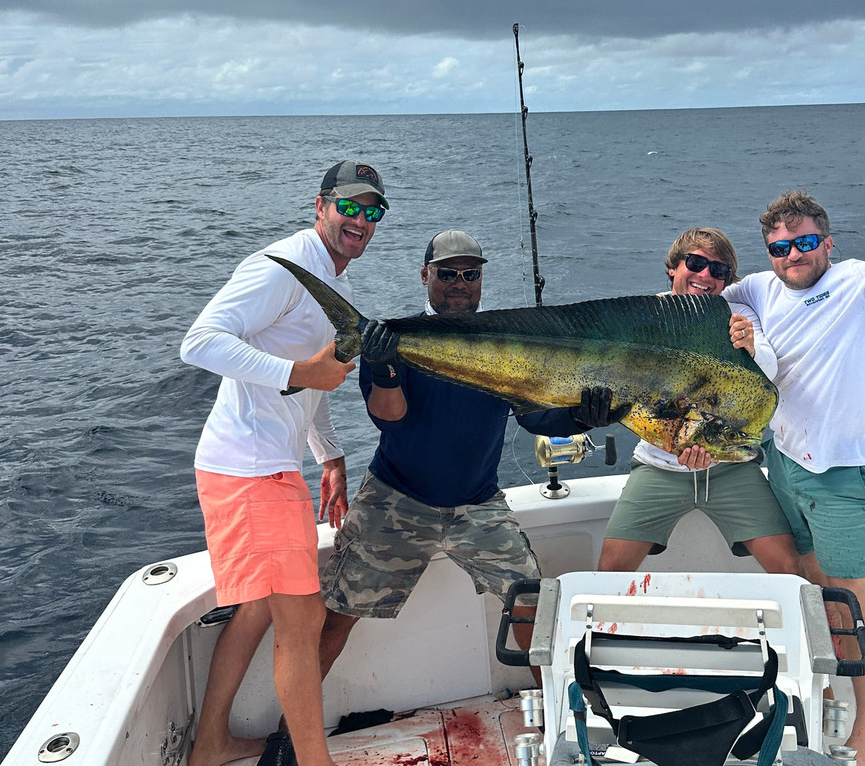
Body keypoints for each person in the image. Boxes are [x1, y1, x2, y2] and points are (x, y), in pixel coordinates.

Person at [722, 138, 865, 766]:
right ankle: (813, 695)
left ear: (827, 242)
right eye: (780, 247)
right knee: (809, 588)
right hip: (784, 466)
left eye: (804, 243)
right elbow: (692, 306)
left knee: (852, 603)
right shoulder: (756, 291)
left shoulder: (864, 283)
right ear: (767, 251)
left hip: (844, 473)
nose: (793, 256)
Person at [316, 230, 614, 688]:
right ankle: (288, 737)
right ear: (425, 276)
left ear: (480, 280)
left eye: (470, 274)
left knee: (531, 605)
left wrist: (583, 418)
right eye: (447, 274)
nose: (459, 283)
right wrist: (382, 364)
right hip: (396, 500)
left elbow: (536, 418)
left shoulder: (505, 343)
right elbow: (390, 420)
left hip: (478, 505)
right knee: (338, 616)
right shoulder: (394, 339)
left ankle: (559, 717)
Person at [180, 160, 390, 766]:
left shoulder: (337, 286)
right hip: (249, 472)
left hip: (268, 468)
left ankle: (212, 745)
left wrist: (331, 457)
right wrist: (298, 372)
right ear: (320, 205)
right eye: (348, 206)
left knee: (254, 612)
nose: (360, 220)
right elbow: (200, 341)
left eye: (372, 211)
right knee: (302, 622)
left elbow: (315, 390)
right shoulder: (281, 267)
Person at [596, 227, 801, 577]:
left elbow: (768, 366)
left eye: (718, 271)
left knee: (790, 568)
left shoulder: (737, 317)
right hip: (658, 467)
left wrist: (749, 347)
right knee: (610, 570)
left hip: (731, 469)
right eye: (696, 263)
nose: (705, 275)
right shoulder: (645, 317)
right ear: (673, 267)